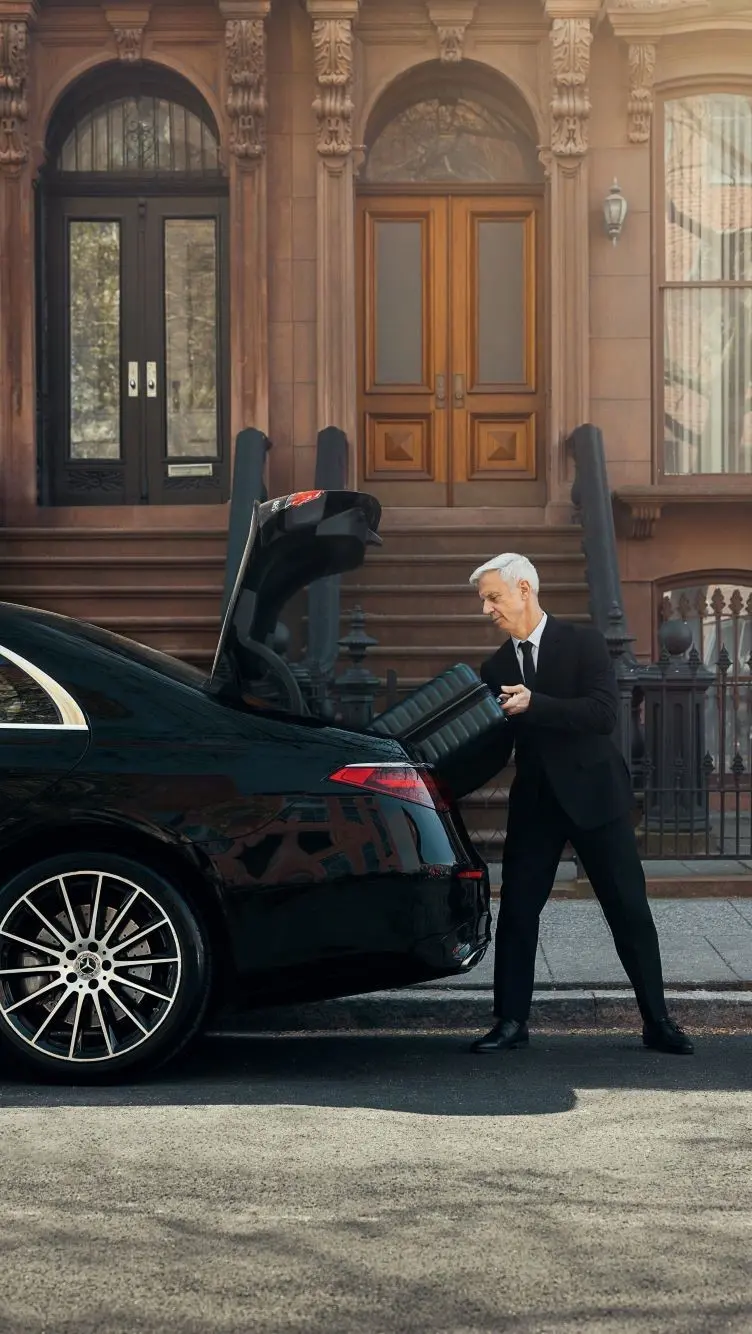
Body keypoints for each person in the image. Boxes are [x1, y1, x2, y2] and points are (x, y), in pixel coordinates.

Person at [468, 553, 693, 1056]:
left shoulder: (583, 642)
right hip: (536, 803)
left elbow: (602, 714)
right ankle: (510, 1021)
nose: (486, 608)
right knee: (519, 912)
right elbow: (497, 745)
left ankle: (658, 1021)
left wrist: (535, 703)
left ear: (524, 589)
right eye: (483, 599)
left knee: (628, 909)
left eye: (492, 597)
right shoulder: (496, 666)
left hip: (597, 796)